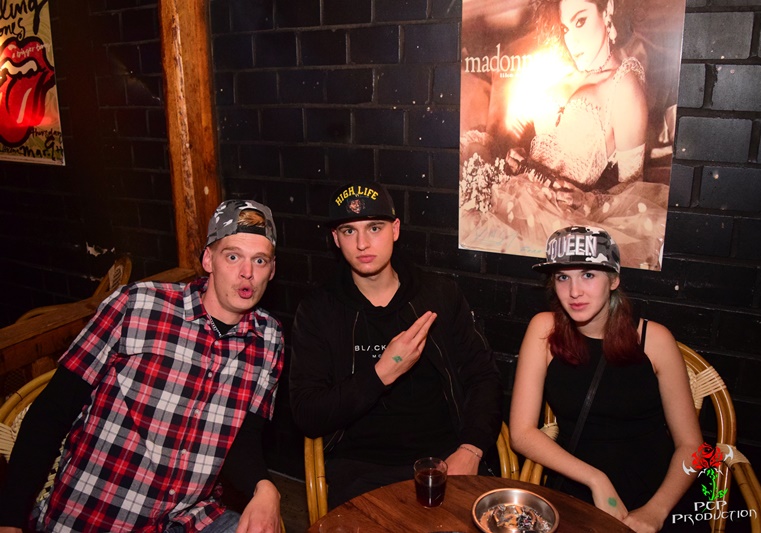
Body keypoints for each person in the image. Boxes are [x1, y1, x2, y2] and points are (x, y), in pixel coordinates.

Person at [0, 200, 284, 533]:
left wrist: (265, 486)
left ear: (272, 270)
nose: (247, 273)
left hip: (185, 517)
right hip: (96, 517)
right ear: (208, 259)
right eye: (233, 256)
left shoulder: (269, 338)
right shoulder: (137, 305)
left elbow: (243, 436)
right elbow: (51, 412)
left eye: (259, 260)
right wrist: (10, 520)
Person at [289, 181, 503, 509]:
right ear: (335, 238)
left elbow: (484, 377)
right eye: (349, 231)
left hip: (445, 458)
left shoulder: (438, 295)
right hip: (362, 467)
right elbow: (308, 413)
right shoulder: (319, 310)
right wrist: (383, 372)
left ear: (395, 230)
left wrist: (470, 449)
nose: (362, 243)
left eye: (374, 227)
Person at [508, 225, 702, 533]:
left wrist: (656, 510)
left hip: (655, 492)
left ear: (613, 280)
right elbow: (521, 433)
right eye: (562, 277)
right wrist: (595, 479)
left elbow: (692, 446)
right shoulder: (544, 330)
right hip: (578, 485)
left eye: (588, 275)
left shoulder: (655, 340)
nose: (574, 292)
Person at [459, 0, 670, 269]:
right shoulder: (562, 69)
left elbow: (633, 188)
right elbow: (542, 139)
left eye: (580, 21)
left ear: (608, 10)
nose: (572, 40)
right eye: (565, 28)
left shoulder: (624, 85)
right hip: (512, 194)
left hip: (556, 219)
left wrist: (587, 199)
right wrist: (520, 156)